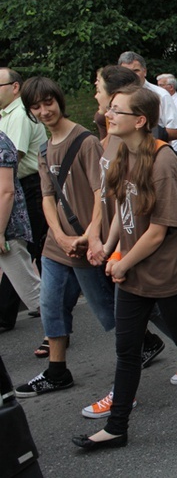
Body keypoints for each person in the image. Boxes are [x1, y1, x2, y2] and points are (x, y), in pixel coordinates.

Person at [72, 85, 177, 450]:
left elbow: (158, 232)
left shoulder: (163, 161)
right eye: (109, 109)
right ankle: (117, 427)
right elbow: (122, 212)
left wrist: (122, 262)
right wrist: (109, 248)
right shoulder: (122, 152)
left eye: (117, 111)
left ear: (140, 120)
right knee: (127, 351)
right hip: (132, 273)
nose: (108, 115)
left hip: (165, 274)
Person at [14, 77, 116, 397]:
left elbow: (102, 193)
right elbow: (47, 197)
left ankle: (162, 344)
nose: (44, 110)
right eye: (36, 106)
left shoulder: (84, 141)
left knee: (107, 309)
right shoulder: (45, 148)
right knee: (51, 305)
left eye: (48, 102)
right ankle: (57, 372)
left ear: (59, 100)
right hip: (58, 245)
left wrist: (89, 234)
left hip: (88, 243)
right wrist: (58, 235)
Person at [81, 65, 171, 419]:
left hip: (146, 255)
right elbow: (113, 199)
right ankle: (122, 405)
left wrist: (123, 257)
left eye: (100, 91)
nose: (99, 101)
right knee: (129, 335)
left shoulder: (146, 150)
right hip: (122, 249)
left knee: (172, 323)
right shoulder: (111, 141)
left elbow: (158, 225)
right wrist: (99, 237)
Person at [0, 68, 47, 332]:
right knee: (25, 250)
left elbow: (10, 163)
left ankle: (43, 308)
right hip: (20, 187)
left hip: (27, 187)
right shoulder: (7, 114)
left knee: (18, 249)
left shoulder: (18, 115)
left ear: (15, 87)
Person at [0, 131, 41, 328]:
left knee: (32, 291)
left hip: (7, 227)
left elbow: (6, 191)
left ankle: (57, 335)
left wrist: (0, 232)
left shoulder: (1, 143)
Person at [118, 51, 177, 142]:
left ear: (144, 71)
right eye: (126, 71)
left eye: (136, 71)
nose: (131, 75)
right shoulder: (116, 95)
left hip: (152, 152)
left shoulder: (161, 95)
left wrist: (145, 134)